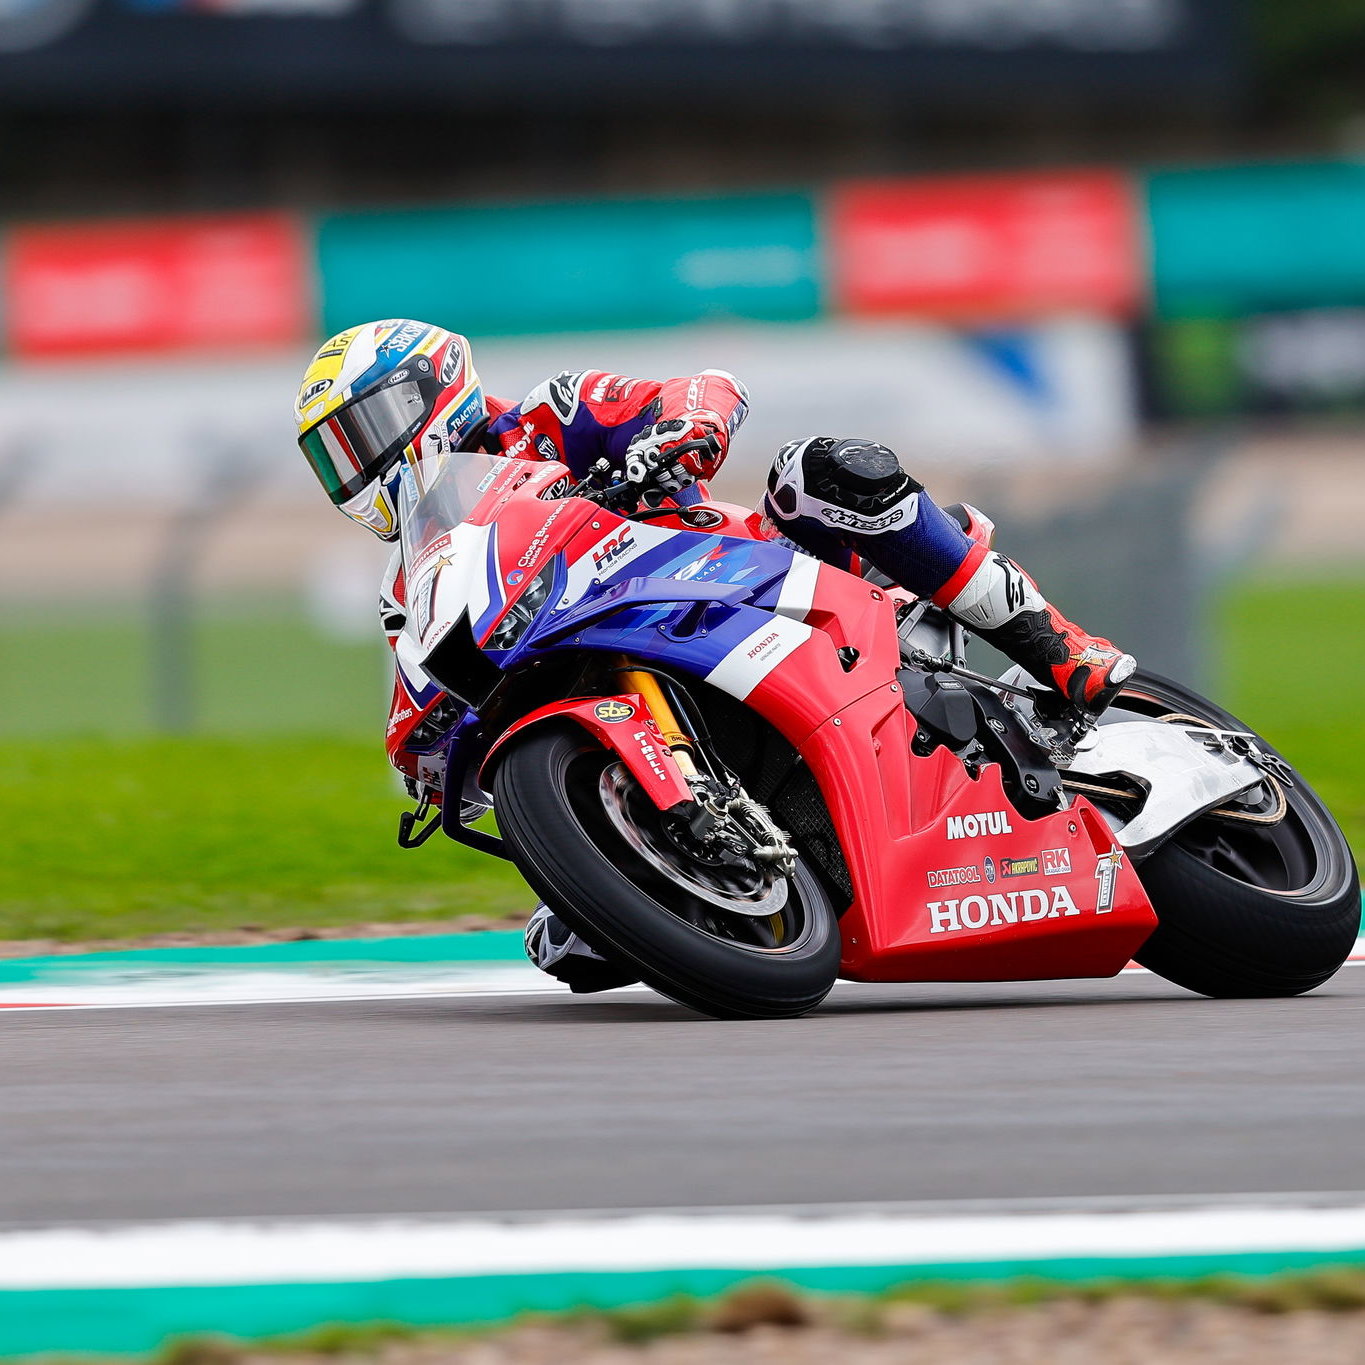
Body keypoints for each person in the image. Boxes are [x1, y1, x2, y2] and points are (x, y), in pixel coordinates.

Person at [295, 318, 1135, 991]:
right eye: (335, 456)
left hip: (744, 581)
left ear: (433, 389)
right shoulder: (411, 580)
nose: (359, 463)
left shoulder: (547, 415)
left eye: (364, 429)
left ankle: (1058, 647)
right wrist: (423, 748)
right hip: (606, 664)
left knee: (822, 471)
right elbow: (411, 698)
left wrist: (678, 431)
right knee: (572, 949)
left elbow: (705, 389)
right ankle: (677, 854)